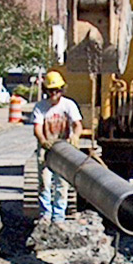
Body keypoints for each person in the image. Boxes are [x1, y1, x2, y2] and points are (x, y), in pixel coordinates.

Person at [31, 70, 83, 223]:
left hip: (64, 148)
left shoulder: (68, 105)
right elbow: (37, 128)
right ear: (46, 91)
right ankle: (45, 214)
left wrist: (75, 135)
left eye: (56, 90)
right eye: (50, 90)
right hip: (46, 147)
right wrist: (42, 140)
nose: (54, 93)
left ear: (61, 90)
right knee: (45, 182)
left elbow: (77, 124)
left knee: (62, 183)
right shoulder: (41, 107)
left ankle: (58, 215)